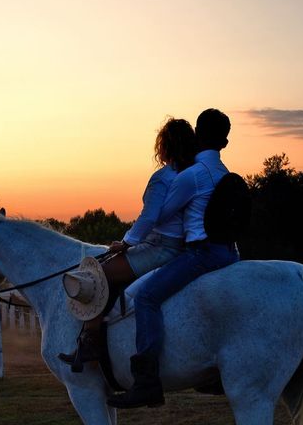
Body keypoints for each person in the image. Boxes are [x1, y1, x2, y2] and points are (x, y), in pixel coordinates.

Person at [107, 109, 240, 409]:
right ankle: (213, 374)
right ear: (226, 142)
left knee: (147, 298)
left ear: (199, 135)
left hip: (201, 253)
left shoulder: (191, 176)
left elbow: (159, 215)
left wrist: (128, 241)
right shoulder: (225, 173)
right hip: (231, 252)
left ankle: (146, 381)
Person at [59, 117, 198, 369]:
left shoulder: (162, 178)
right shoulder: (192, 174)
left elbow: (150, 217)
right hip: (181, 246)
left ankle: (91, 342)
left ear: (163, 147)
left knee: (96, 275)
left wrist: (126, 242)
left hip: (160, 247)